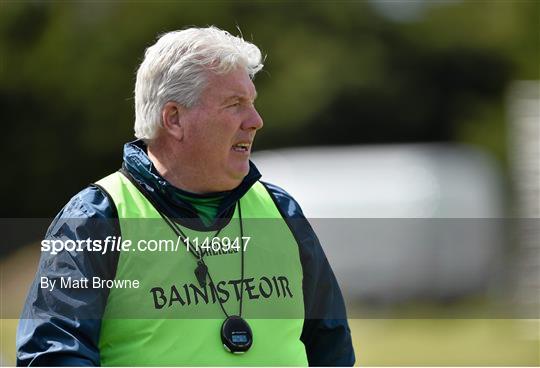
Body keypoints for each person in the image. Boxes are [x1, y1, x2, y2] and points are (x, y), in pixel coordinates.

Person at [17, 26, 355, 366]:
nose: (256, 121)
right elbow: (54, 355)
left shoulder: (281, 209)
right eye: (235, 104)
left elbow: (331, 349)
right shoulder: (97, 218)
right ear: (174, 119)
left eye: (252, 103)